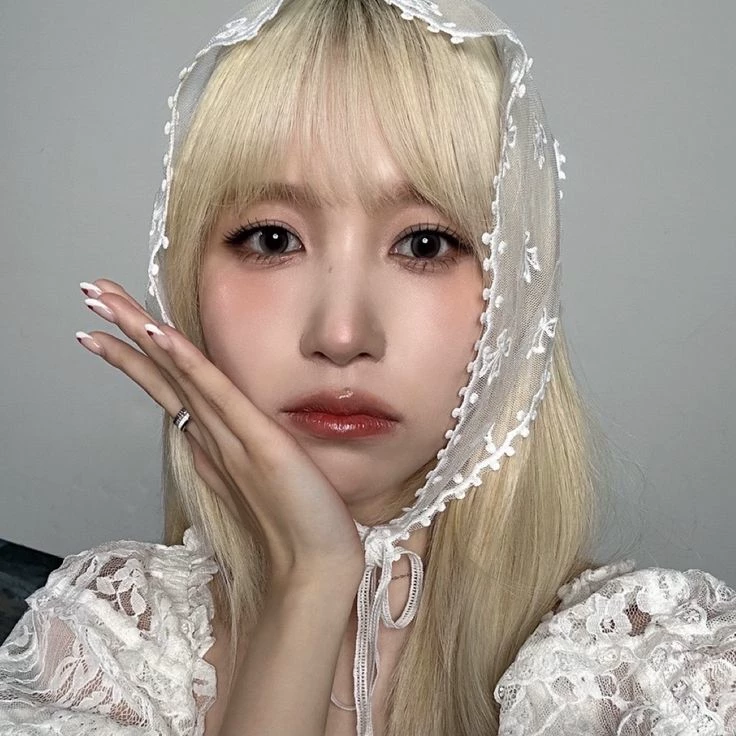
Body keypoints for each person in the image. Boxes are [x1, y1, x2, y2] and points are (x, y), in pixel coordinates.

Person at [1, 0, 734, 734]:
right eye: (272, 238)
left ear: (519, 295)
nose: (342, 334)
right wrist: (309, 585)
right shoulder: (106, 642)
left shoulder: (655, 670)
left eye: (424, 244)